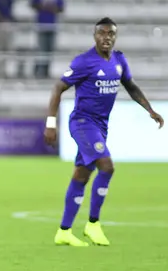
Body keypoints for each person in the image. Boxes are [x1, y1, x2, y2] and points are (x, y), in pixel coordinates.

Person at [44, 17, 164, 247]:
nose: (106, 37)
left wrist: (150, 109)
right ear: (95, 35)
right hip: (82, 123)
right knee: (107, 167)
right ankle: (93, 224)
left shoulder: (119, 61)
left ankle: (64, 231)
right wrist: (51, 123)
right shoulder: (84, 62)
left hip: (100, 126)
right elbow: (58, 87)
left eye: (111, 34)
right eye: (102, 33)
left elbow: (131, 86)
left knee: (81, 175)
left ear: (115, 37)